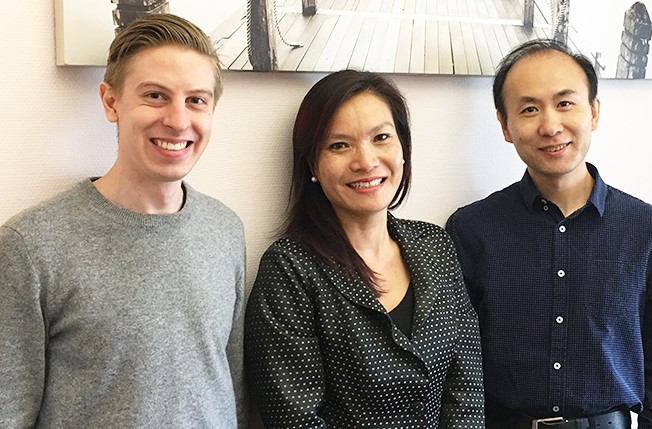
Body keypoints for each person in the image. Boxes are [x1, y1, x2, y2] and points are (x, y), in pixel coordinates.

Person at [0, 14, 247, 428]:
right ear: (111, 102)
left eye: (196, 100)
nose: (178, 121)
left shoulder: (226, 230)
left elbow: (231, 388)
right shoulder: (31, 245)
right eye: (155, 95)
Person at [446, 39, 652, 429]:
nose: (550, 126)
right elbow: (456, 359)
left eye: (565, 103)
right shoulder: (472, 229)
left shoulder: (650, 230)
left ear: (593, 112)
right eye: (529, 109)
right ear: (505, 126)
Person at [244, 69, 484, 428]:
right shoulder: (290, 270)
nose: (366, 161)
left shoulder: (435, 245)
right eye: (339, 145)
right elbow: (295, 419)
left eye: (381, 137)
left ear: (403, 148)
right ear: (312, 164)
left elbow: (466, 388)